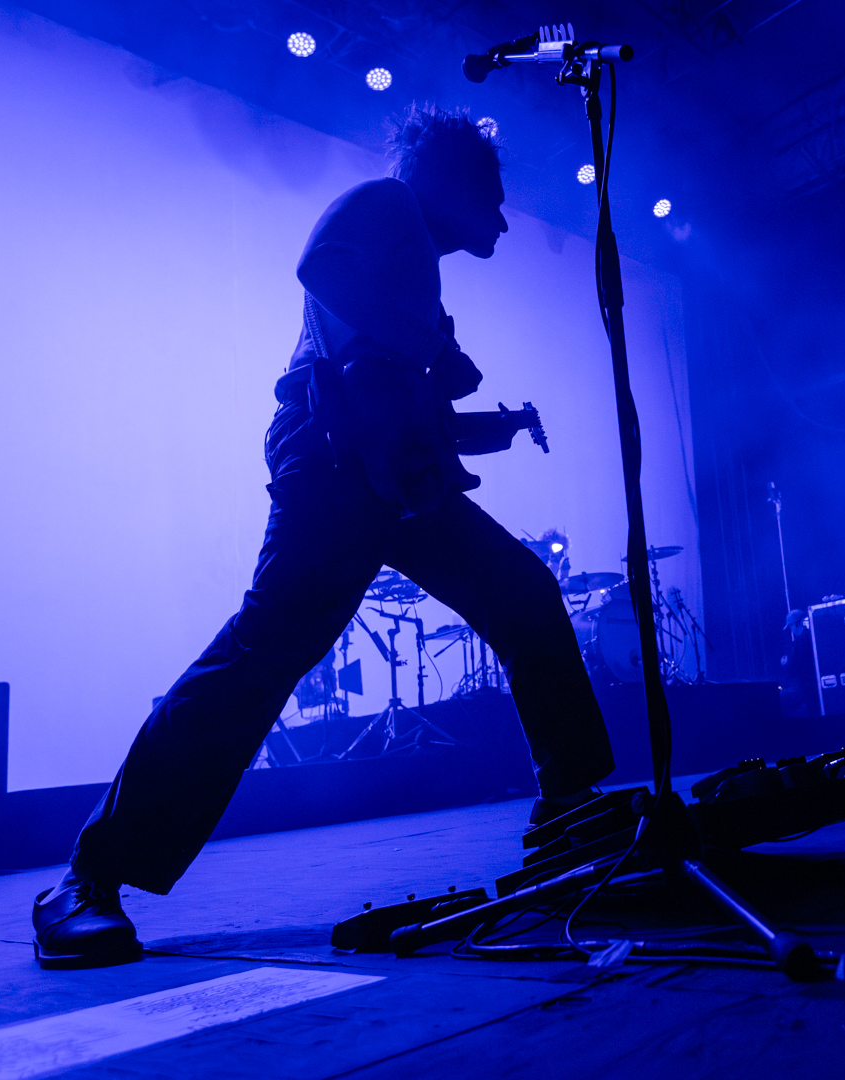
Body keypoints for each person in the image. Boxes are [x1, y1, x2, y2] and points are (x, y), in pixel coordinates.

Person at [31, 105, 615, 970]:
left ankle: (570, 812)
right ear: (447, 180)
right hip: (333, 462)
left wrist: (495, 419)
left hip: (393, 478)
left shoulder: (417, 288)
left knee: (521, 591)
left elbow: (415, 420)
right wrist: (433, 352)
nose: (501, 218)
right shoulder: (386, 204)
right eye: (491, 197)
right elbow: (321, 266)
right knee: (261, 655)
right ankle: (86, 877)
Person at [778, 608, 817, 718]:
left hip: (807, 687)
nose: (791, 630)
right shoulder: (813, 634)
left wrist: (786, 663)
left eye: (791, 626)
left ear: (797, 624)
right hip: (814, 684)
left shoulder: (801, 640)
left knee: (782, 696)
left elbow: (795, 667)